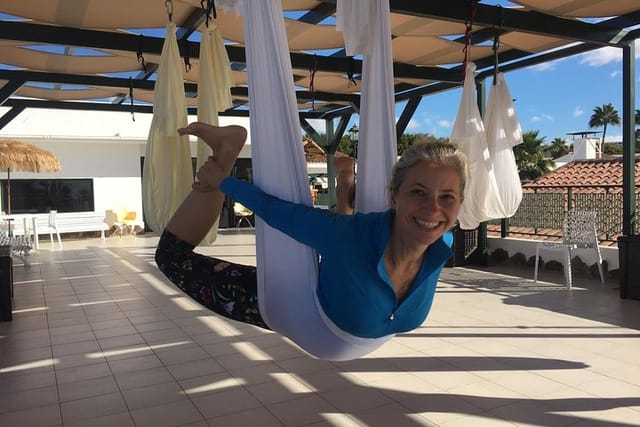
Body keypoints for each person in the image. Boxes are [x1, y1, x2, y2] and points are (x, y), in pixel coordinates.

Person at [155, 122, 467, 352]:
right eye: (418, 192)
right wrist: (223, 181)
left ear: (460, 204)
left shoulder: (442, 245)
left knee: (349, 257)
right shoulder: (346, 235)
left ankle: (345, 180)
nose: (433, 209)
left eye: (447, 197)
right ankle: (225, 154)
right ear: (394, 196)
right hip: (300, 311)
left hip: (341, 292)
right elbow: (274, 210)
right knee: (171, 258)